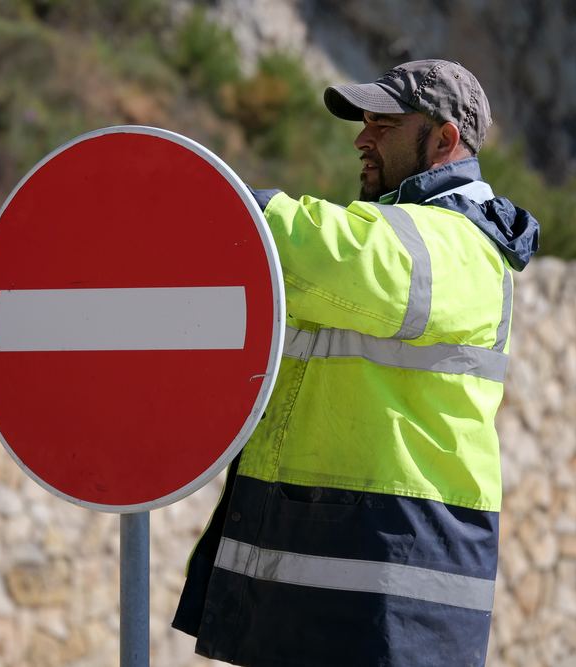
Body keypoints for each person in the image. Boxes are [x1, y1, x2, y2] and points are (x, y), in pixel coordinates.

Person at [172, 60, 540, 666]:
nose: (361, 139)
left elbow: (338, 255)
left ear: (445, 139)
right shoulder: (403, 232)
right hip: (336, 596)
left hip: (389, 606)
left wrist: (216, 199)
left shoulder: (458, 244)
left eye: (384, 125)